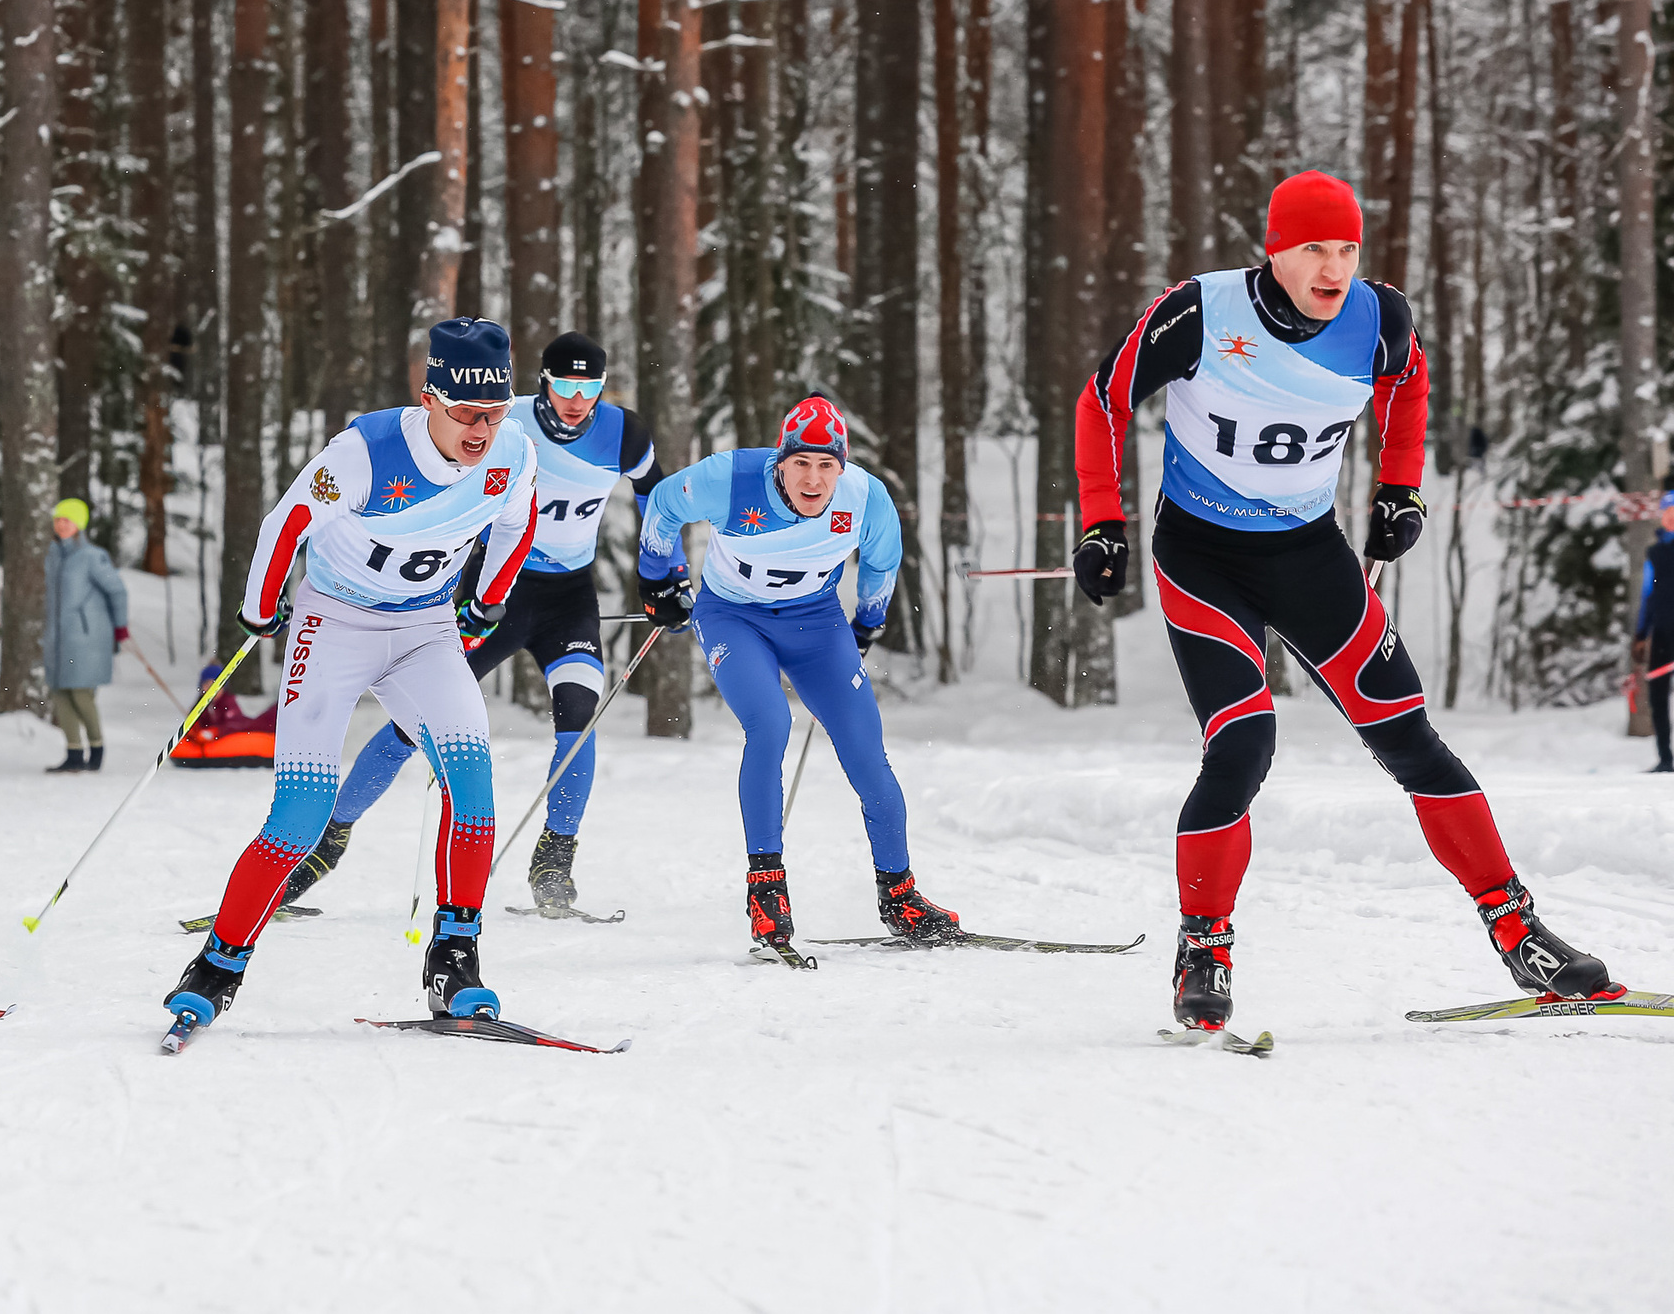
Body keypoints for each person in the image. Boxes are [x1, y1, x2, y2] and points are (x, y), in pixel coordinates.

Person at [1074, 168, 1617, 1031]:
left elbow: (1409, 387)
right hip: (1202, 557)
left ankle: (1521, 932)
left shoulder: (1378, 316)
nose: (1333, 268)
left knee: (1412, 738)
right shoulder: (1199, 311)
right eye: (1313, 249)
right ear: (1275, 252)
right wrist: (1103, 521)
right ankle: (1204, 945)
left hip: (1309, 553)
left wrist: (1400, 488)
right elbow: (1102, 400)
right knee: (1243, 744)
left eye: (1346, 249)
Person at [163, 317, 540, 1036]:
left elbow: (518, 520)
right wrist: (259, 606)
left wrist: (490, 596)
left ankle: (454, 959)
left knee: (474, 786)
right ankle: (217, 965)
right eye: (465, 412)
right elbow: (287, 522)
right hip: (333, 624)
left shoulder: (514, 453)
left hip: (425, 627)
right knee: (300, 817)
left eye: (493, 413)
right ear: (429, 397)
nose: (480, 430)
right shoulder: (366, 451)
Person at [280, 331, 662, 917]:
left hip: (570, 599)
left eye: (589, 386)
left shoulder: (624, 432)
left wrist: (668, 576)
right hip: (495, 592)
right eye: (564, 384)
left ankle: (555, 860)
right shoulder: (506, 429)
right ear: (542, 383)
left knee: (579, 720)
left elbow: (658, 496)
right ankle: (328, 841)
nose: (576, 398)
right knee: (415, 727)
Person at [635, 395, 961, 962]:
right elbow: (663, 505)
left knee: (867, 751)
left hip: (816, 622)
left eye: (826, 465)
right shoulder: (731, 478)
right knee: (770, 724)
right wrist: (656, 581)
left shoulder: (865, 497)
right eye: (801, 463)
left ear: (843, 466)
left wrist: (869, 621)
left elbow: (883, 564)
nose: (813, 479)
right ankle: (765, 889)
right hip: (733, 617)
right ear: (779, 462)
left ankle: (900, 895)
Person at [43, 497, 130, 773]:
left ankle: (97, 748)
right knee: (60, 692)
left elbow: (117, 590)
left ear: (79, 524)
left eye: (66, 520)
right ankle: (73, 752)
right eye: (57, 519)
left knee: (81, 693)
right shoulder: (54, 555)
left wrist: (120, 626)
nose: (60, 525)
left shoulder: (93, 557)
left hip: (87, 637)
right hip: (59, 637)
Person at [1631, 491, 1674, 775]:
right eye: (1668, 512)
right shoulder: (1655, 553)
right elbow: (1648, 593)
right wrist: (1641, 633)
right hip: (1662, 632)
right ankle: (1665, 757)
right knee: (1657, 697)